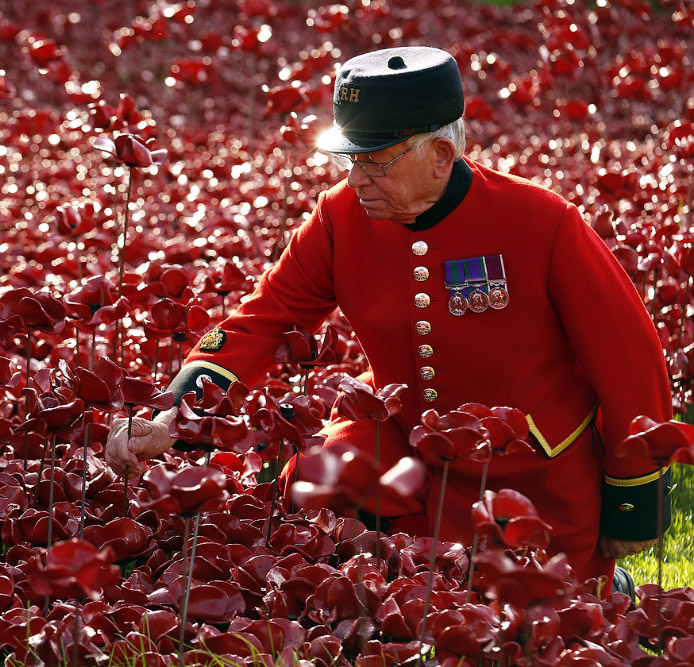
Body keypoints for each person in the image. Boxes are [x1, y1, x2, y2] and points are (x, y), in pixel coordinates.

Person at [105, 46, 673, 587]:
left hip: (532, 474)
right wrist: (172, 417)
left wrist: (633, 497)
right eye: (347, 159)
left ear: (440, 157)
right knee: (320, 483)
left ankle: (612, 584)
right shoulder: (340, 216)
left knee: (524, 612)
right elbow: (263, 319)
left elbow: (629, 359)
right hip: (403, 442)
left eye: (373, 163)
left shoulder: (542, 222)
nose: (354, 181)